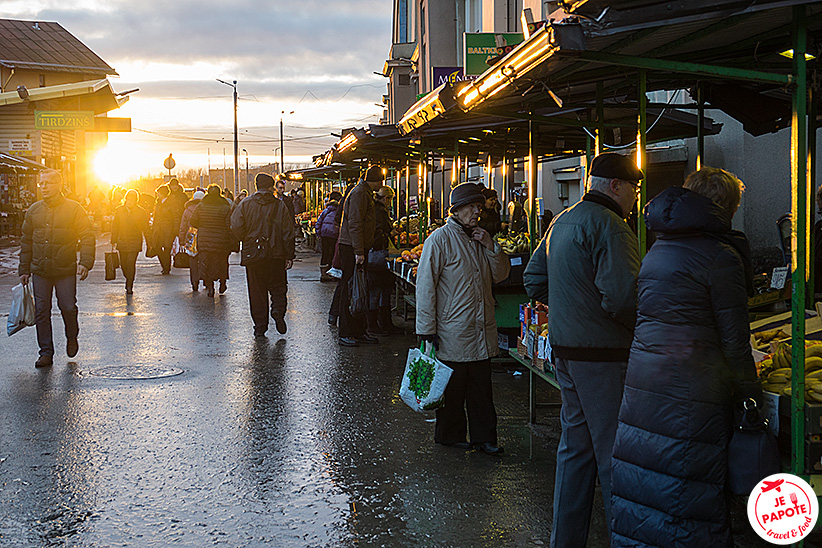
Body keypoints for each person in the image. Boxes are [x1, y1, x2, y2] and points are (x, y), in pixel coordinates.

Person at [610, 168, 762, 547]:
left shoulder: (659, 248)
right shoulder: (718, 255)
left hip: (646, 381)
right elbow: (735, 341)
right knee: (686, 494)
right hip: (693, 391)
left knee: (646, 484)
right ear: (726, 208)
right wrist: (750, 394)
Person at [522, 152, 642, 547]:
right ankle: (623, 539)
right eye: (634, 190)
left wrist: (570, 307)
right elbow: (624, 299)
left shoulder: (562, 220)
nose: (636, 199)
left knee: (575, 452)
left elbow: (534, 279)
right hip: (604, 356)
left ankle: (565, 540)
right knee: (613, 455)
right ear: (616, 186)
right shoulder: (612, 227)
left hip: (564, 351)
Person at [415, 182, 511, 454]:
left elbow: (501, 275)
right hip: (453, 330)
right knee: (453, 390)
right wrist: (426, 330)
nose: (476, 212)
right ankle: (450, 435)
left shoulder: (481, 238)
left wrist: (491, 246)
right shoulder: (439, 240)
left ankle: (485, 439)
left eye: (478, 206)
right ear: (456, 210)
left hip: (481, 328)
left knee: (482, 390)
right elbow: (425, 287)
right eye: (470, 207)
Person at [18, 169, 95, 368]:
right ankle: (46, 353)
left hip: (65, 269)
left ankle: (71, 336)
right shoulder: (34, 210)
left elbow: (87, 235)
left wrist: (85, 262)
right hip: (40, 270)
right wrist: (24, 269)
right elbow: (26, 242)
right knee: (42, 311)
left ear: (58, 185)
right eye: (41, 184)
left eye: (47, 183)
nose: (43, 187)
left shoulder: (74, 209)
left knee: (68, 307)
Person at [231, 173, 295, 337]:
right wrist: (289, 255)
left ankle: (260, 326)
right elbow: (288, 231)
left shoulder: (245, 204)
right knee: (278, 287)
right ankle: (278, 312)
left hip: (253, 256)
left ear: (256, 186)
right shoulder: (279, 206)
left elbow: (236, 226)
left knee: (257, 292)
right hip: (276, 254)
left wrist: (246, 239)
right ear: (271, 186)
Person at [337, 166, 383, 347]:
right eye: (380, 180)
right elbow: (355, 222)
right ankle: (346, 332)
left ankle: (359, 331)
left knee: (359, 289)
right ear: (376, 180)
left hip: (356, 246)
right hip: (351, 248)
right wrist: (358, 252)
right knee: (350, 290)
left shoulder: (364, 192)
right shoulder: (359, 194)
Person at [190, 185, 233, 297]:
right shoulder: (225, 206)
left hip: (204, 239)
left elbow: (193, 221)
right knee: (222, 262)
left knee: (206, 263)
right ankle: (222, 282)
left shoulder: (201, 206)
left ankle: (210, 287)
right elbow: (229, 225)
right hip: (221, 240)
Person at [367, 185, 398, 335]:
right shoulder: (379, 211)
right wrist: (392, 232)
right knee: (380, 288)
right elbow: (378, 234)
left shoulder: (373, 208)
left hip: (373, 254)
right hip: (378, 255)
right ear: (387, 198)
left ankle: (380, 323)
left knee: (379, 289)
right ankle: (378, 324)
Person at [111, 189, 150, 295]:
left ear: (136, 200)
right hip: (122, 240)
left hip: (135, 241)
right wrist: (113, 240)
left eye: (133, 199)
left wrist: (149, 242)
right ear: (126, 199)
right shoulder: (119, 210)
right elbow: (115, 225)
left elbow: (145, 227)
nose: (130, 201)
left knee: (130, 263)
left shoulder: (141, 212)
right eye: (129, 199)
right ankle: (128, 278)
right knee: (123, 264)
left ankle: (129, 285)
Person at [180, 190, 205, 291]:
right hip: (204, 235)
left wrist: (182, 239)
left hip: (191, 236)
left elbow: (183, 226)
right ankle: (206, 280)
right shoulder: (206, 208)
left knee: (193, 260)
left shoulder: (187, 210)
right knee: (204, 258)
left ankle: (194, 281)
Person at [315, 190, 342, 282]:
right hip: (334, 234)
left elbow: (319, 222)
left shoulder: (326, 210)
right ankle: (330, 273)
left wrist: (318, 233)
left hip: (325, 234)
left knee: (325, 253)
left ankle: (323, 274)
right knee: (333, 253)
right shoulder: (339, 211)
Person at [151, 185, 174, 274]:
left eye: (159, 193)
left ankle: (166, 268)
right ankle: (165, 266)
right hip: (158, 228)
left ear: (163, 194)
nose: (158, 195)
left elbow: (175, 216)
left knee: (167, 249)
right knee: (157, 247)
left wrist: (175, 229)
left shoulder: (171, 203)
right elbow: (155, 216)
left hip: (168, 229)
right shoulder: (158, 203)